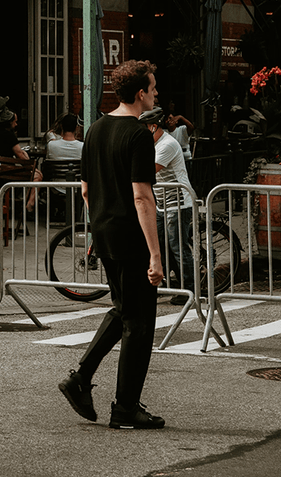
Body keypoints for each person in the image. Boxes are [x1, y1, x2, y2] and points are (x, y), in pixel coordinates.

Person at [58, 59, 165, 431]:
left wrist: (102, 220)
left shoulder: (98, 130)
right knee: (140, 321)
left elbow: (86, 190)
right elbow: (142, 197)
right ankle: (125, 407)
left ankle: (80, 379)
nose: (156, 94)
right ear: (140, 93)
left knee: (123, 310)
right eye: (153, 89)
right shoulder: (138, 135)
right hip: (131, 237)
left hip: (104, 233)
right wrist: (155, 254)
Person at [140, 106, 195, 304]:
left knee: (178, 247)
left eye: (144, 128)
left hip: (178, 202)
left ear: (154, 127)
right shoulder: (153, 144)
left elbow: (147, 170)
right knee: (160, 245)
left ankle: (189, 290)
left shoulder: (168, 144)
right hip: (162, 203)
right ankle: (166, 283)